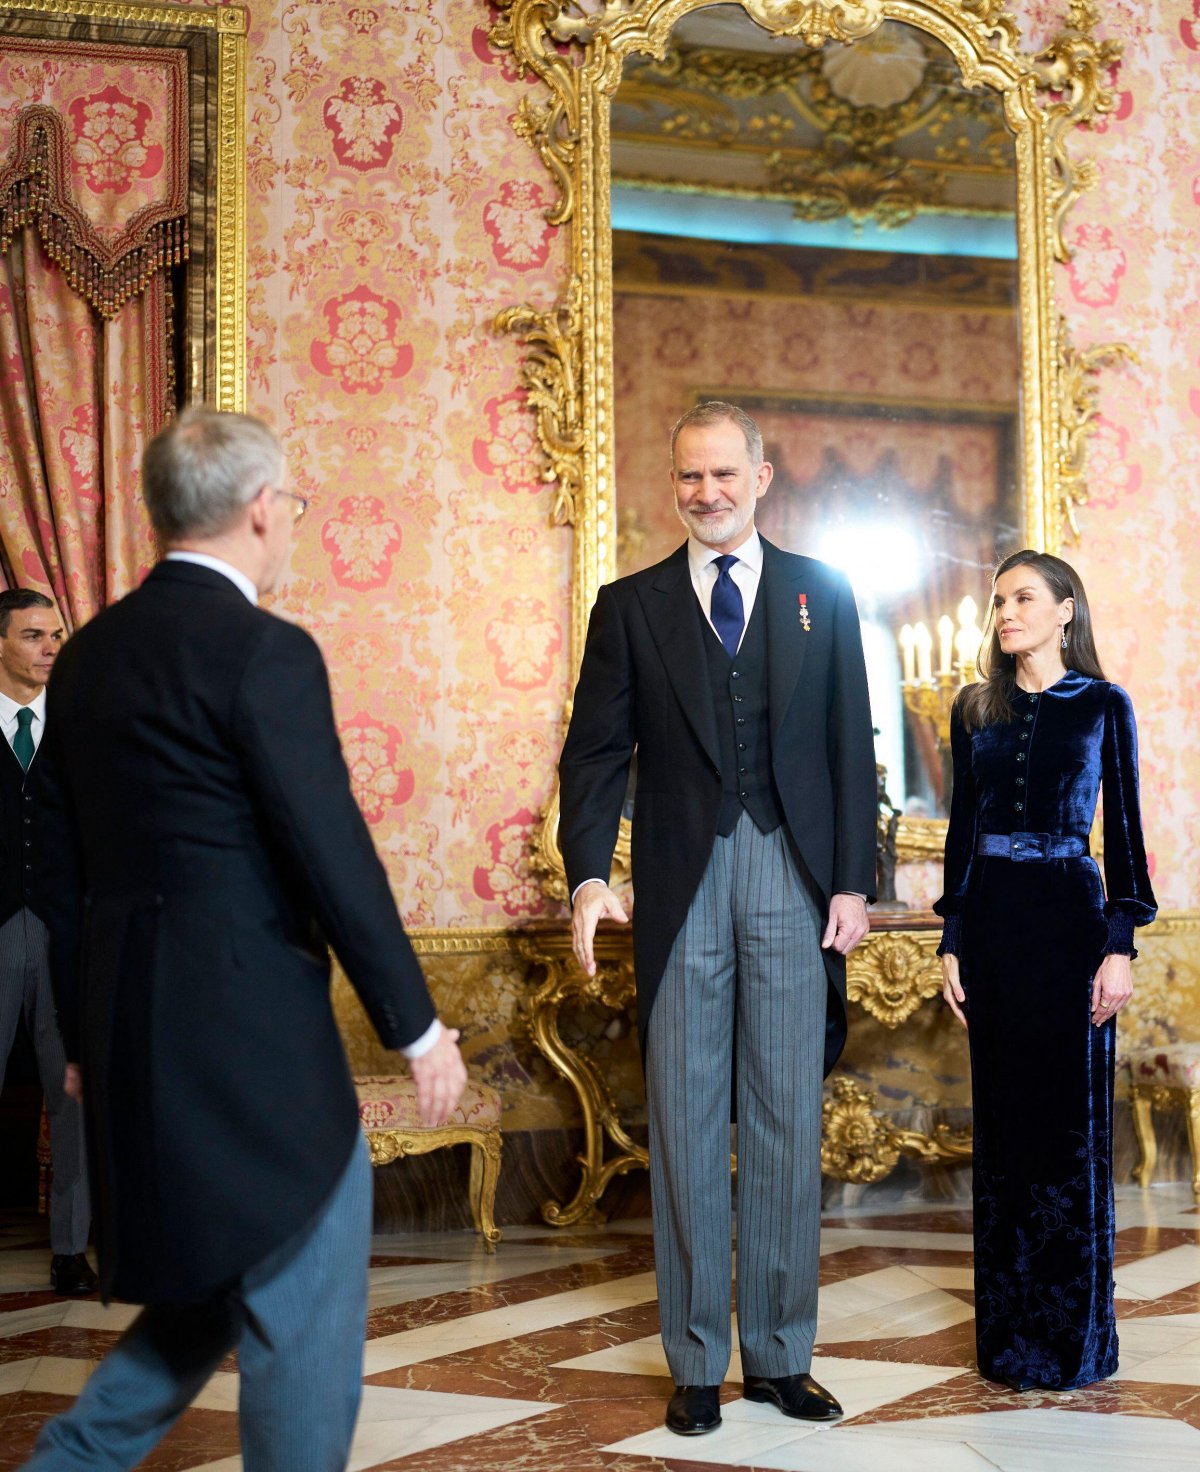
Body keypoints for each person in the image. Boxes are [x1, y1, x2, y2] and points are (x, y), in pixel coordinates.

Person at [23, 408, 466, 1472]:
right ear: (263, 509)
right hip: (247, 1035)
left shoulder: (84, 661)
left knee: (212, 1280)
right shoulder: (264, 649)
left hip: (131, 1029)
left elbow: (68, 873)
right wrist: (419, 1027)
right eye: (294, 507)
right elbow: (331, 852)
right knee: (305, 1281)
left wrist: (84, 1040)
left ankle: (67, 1462)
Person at [559, 401, 877, 1435]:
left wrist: (850, 881)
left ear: (762, 474)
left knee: (786, 1122)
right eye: (690, 476)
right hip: (680, 880)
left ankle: (782, 1356)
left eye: (724, 474)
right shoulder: (629, 604)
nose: (707, 492)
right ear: (676, 482)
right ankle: (696, 1360)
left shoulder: (820, 594)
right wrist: (586, 876)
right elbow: (595, 754)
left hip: (792, 873)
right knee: (689, 1122)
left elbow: (846, 746)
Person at [935, 549, 1156, 1392]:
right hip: (994, 928)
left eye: (1023, 598)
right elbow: (961, 831)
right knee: (1005, 1140)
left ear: (1066, 609)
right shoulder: (972, 709)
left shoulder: (1104, 705)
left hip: (1071, 926)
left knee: (1071, 1139)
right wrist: (952, 938)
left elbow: (1126, 837)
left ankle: (1073, 1344)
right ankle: (1007, 1344)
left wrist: (1119, 946)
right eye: (998, 602)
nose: (1006, 614)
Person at [0, 589, 96, 1297]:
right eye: (35, 635)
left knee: (72, 1095)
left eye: (56, 634)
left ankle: (71, 1247)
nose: (50, 647)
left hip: (64, 936)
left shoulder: (77, 730)